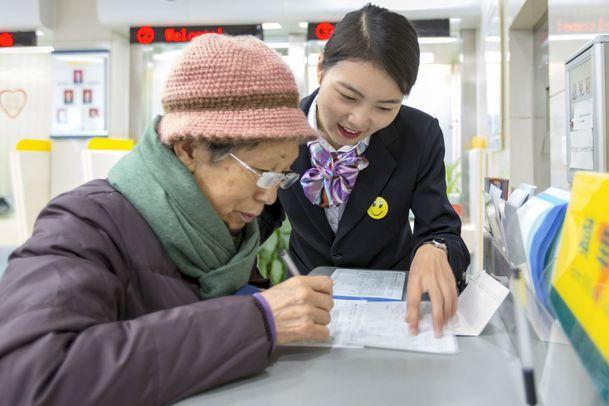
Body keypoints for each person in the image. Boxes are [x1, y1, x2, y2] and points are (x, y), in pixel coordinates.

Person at [0, 34, 334, 405]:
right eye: (262, 172)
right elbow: (31, 378)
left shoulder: (221, 232)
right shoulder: (83, 226)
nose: (269, 196)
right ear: (189, 148)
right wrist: (256, 320)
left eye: (281, 176)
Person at [259, 4, 470, 337]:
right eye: (347, 96)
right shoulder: (280, 128)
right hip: (305, 303)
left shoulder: (419, 135)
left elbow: (441, 228)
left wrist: (435, 249)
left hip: (393, 310)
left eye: (385, 107)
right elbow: (258, 214)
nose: (359, 120)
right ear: (320, 70)